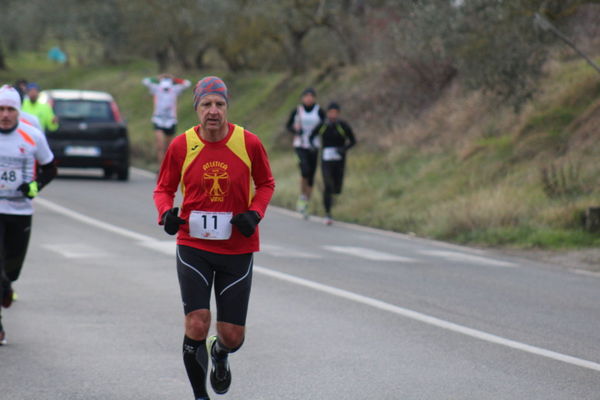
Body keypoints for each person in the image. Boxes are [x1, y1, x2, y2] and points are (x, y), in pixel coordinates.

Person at [153, 76, 275, 400]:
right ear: (196, 109)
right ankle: (199, 396)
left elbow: (266, 184)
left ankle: (219, 353)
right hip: (194, 246)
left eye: (219, 104)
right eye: (206, 104)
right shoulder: (181, 145)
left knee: (232, 336)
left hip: (237, 249)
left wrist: (255, 213)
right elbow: (163, 188)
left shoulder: (248, 143)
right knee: (197, 322)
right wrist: (166, 214)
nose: (213, 111)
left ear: (227, 108)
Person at [0, 85, 57, 345]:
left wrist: (33, 187)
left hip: (20, 211)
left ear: (18, 111)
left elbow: (50, 168)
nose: (5, 114)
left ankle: (7, 285)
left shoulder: (31, 135)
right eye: (1, 109)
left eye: (10, 109)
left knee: (11, 270)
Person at [309, 102, 356, 225]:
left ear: (338, 114)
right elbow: (311, 137)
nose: (333, 115)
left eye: (335, 113)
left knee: (337, 187)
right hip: (326, 160)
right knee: (328, 185)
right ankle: (328, 213)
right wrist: (314, 147)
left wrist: (343, 149)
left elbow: (353, 141)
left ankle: (331, 199)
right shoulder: (323, 125)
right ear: (328, 113)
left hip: (339, 160)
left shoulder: (343, 125)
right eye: (331, 112)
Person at [285, 87, 325, 218]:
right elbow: (288, 125)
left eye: (311, 96)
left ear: (314, 98)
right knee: (305, 169)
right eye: (306, 96)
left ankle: (306, 202)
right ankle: (302, 196)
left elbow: (325, 125)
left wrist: (317, 132)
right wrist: (296, 131)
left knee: (311, 175)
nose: (308, 98)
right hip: (300, 145)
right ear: (302, 98)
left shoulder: (319, 111)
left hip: (314, 146)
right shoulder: (298, 111)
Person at [143, 73, 191, 165]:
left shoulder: (174, 89)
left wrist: (175, 79)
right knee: (160, 146)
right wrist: (157, 78)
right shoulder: (157, 88)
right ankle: (161, 168)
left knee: (169, 148)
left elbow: (187, 83)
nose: (165, 90)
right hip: (158, 120)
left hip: (171, 120)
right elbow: (146, 81)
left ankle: (168, 167)